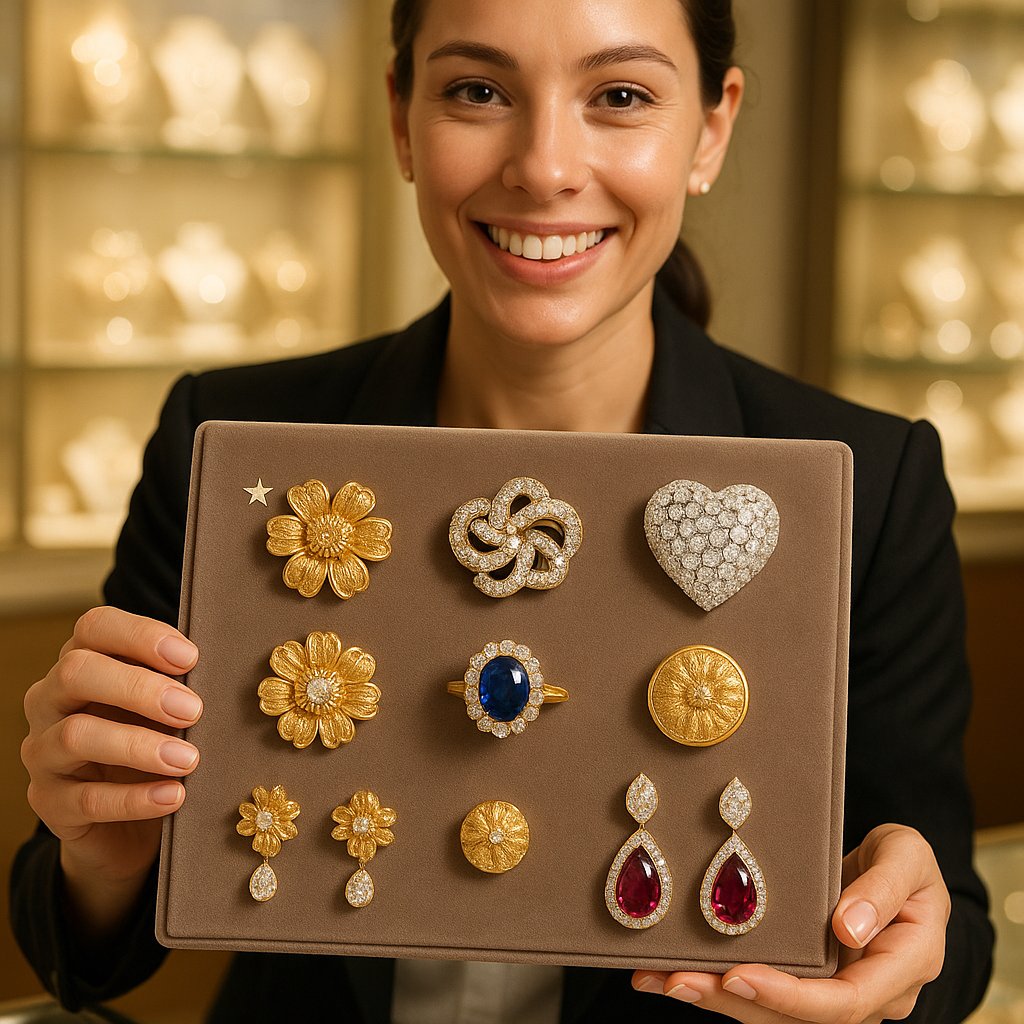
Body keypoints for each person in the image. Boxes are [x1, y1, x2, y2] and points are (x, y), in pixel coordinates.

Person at [13, 0, 994, 1020]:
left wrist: (894, 948)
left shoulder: (871, 484)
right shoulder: (231, 445)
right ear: (401, 119)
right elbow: (80, 944)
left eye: (621, 96)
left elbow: (949, 930)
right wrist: (106, 854)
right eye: (478, 91)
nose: (545, 167)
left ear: (710, 130)